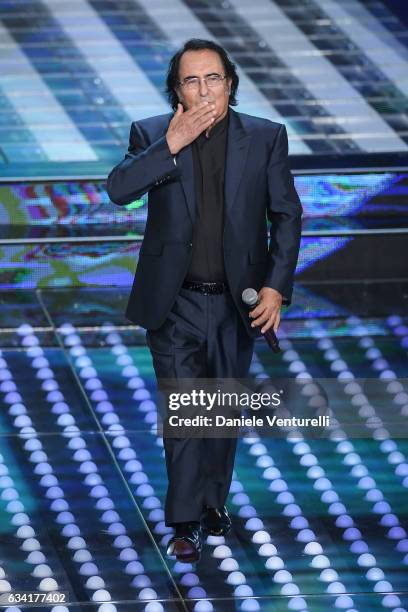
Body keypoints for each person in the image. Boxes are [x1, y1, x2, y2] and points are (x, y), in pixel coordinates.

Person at [106, 38, 302, 563]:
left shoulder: (264, 137)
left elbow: (286, 215)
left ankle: (213, 503)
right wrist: (170, 144)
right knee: (186, 413)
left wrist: (276, 285)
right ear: (177, 91)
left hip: (238, 302)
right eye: (191, 81)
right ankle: (185, 520)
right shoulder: (152, 133)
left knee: (220, 412)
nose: (204, 90)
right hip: (174, 302)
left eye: (212, 78)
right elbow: (119, 189)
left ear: (230, 84)